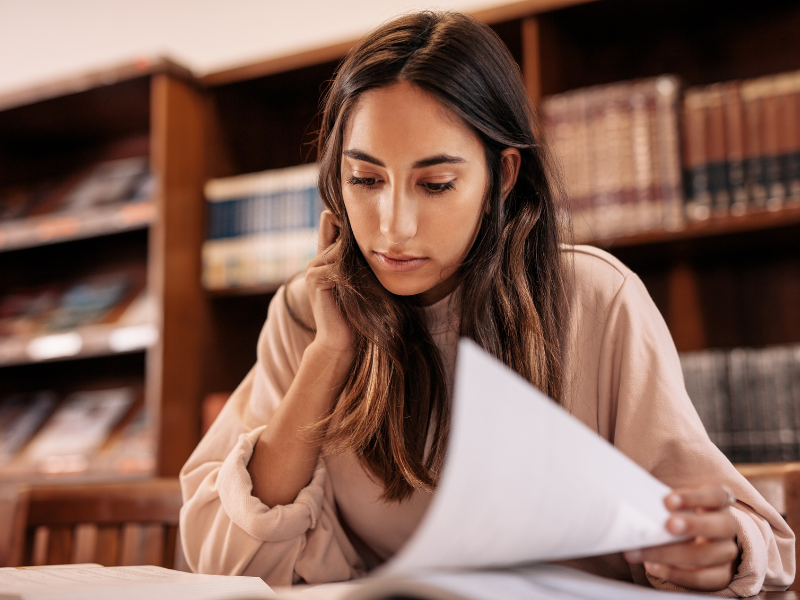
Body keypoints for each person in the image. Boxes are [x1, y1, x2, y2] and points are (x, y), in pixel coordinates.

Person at [179, 10, 794, 595]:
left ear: (501, 176)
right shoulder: (308, 313)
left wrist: (716, 551)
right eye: (365, 179)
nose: (392, 227)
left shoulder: (596, 300)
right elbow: (229, 558)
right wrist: (329, 355)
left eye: (436, 184)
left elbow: (739, 536)